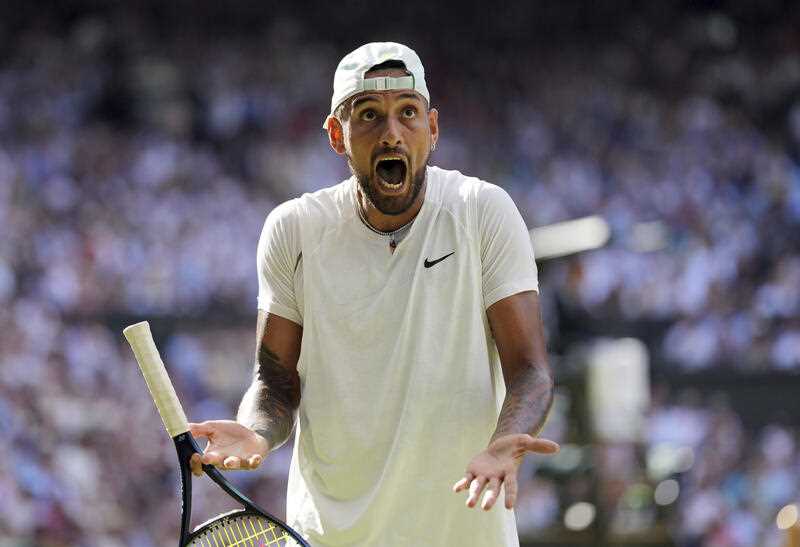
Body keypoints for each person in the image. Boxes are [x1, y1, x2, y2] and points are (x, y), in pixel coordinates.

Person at [188, 41, 559, 546]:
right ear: (337, 135)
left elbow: (531, 371)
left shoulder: (482, 211)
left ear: (432, 129)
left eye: (408, 113)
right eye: (368, 116)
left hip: (464, 532)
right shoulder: (293, 229)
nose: (391, 133)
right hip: (331, 535)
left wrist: (501, 446)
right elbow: (274, 380)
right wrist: (257, 431)